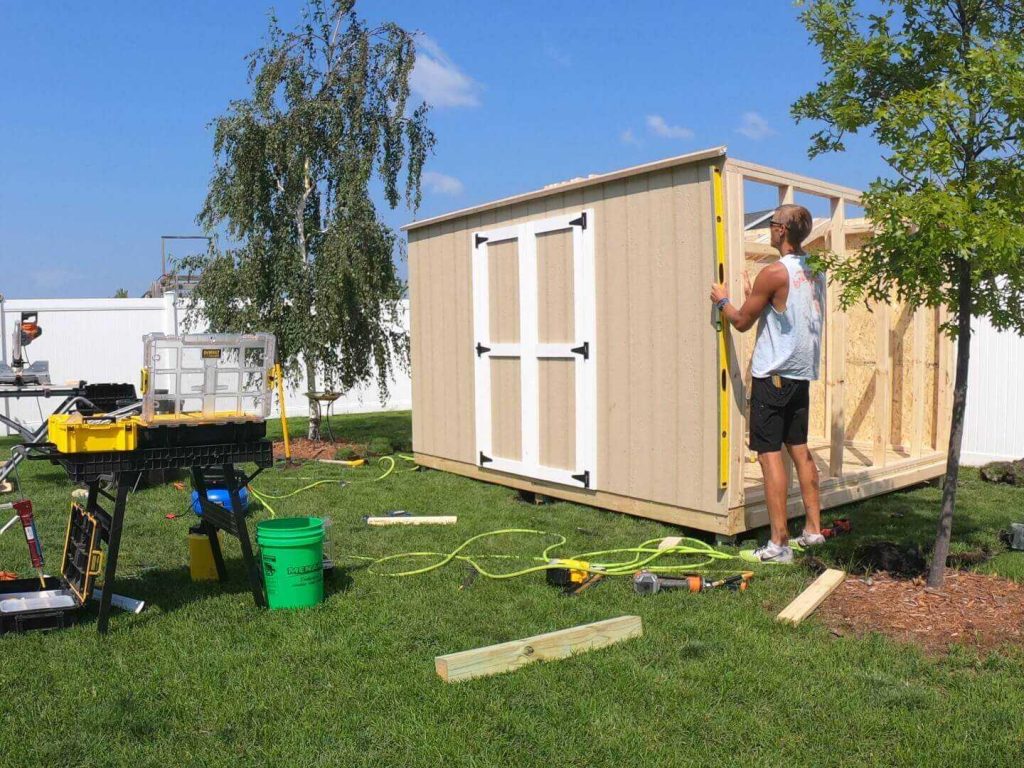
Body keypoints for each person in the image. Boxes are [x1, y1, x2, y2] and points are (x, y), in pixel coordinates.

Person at [709, 204, 826, 563]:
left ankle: (779, 544)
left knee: (769, 456)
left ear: (782, 232)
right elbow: (787, 311)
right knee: (800, 450)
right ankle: (813, 531)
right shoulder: (816, 270)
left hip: (772, 379)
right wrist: (754, 292)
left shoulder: (774, 273)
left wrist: (723, 300)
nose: (771, 228)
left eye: (773, 223)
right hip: (799, 376)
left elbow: (742, 321)